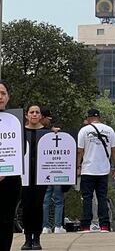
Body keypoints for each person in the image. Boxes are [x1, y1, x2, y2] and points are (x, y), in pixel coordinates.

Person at [77, 107, 115, 232]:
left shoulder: (84, 131)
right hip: (103, 170)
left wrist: (78, 166)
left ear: (88, 118)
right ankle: (104, 225)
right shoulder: (109, 130)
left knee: (87, 198)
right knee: (102, 197)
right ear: (99, 117)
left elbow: (80, 151)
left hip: (87, 169)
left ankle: (86, 225)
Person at [21, 104, 47, 250]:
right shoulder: (20, 132)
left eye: (37, 112)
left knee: (38, 206)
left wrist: (57, 134)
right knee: (26, 207)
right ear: (26, 115)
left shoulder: (47, 133)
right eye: (32, 112)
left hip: (41, 176)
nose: (35, 114)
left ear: (41, 115)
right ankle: (27, 238)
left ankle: (36, 238)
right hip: (24, 176)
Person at [0, 82, 22, 251]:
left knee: (6, 220)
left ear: (8, 97)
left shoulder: (15, 121)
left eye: (3, 93)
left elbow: (22, 149)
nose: (0, 96)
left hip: (10, 180)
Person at [40, 109, 66, 235]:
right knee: (58, 199)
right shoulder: (50, 132)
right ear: (43, 117)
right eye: (48, 119)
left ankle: (45, 226)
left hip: (44, 170)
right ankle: (58, 226)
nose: (49, 122)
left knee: (46, 199)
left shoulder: (40, 132)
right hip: (56, 170)